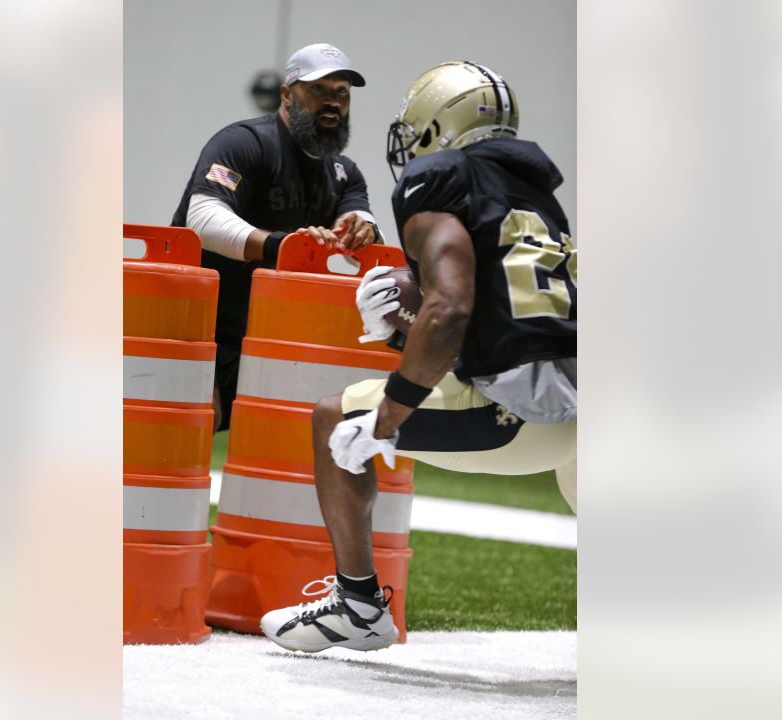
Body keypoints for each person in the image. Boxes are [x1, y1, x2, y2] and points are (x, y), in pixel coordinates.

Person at [260, 61, 578, 653]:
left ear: (438, 127)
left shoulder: (440, 177)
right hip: (581, 418)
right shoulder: (535, 198)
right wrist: (404, 331)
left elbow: (453, 309)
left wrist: (386, 418)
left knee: (336, 416)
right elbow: (515, 322)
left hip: (516, 417)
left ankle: (359, 608)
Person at [171, 42, 384, 432]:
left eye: (341, 93)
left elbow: (357, 223)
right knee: (192, 422)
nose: (332, 102)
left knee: (281, 430)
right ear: (287, 94)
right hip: (195, 318)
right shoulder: (244, 143)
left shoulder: (344, 173)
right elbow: (200, 218)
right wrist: (281, 245)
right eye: (318, 90)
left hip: (265, 328)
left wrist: (362, 231)